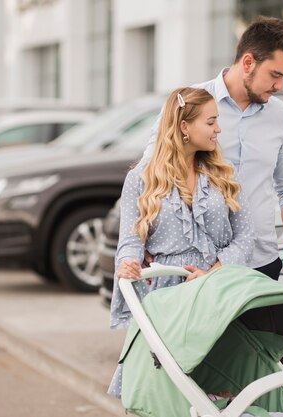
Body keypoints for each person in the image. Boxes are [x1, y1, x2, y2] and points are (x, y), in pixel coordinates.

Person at [108, 87, 256, 398]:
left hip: (218, 292)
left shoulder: (223, 175)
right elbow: (130, 240)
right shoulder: (141, 178)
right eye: (211, 121)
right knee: (168, 392)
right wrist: (128, 263)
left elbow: (245, 237)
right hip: (167, 299)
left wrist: (214, 272)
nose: (218, 129)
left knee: (220, 389)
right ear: (184, 127)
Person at [140, 16, 283, 281]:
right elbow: (151, 173)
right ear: (248, 63)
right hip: (198, 268)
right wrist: (140, 243)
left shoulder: (280, 114)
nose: (280, 86)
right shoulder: (189, 103)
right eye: (275, 75)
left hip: (261, 264)